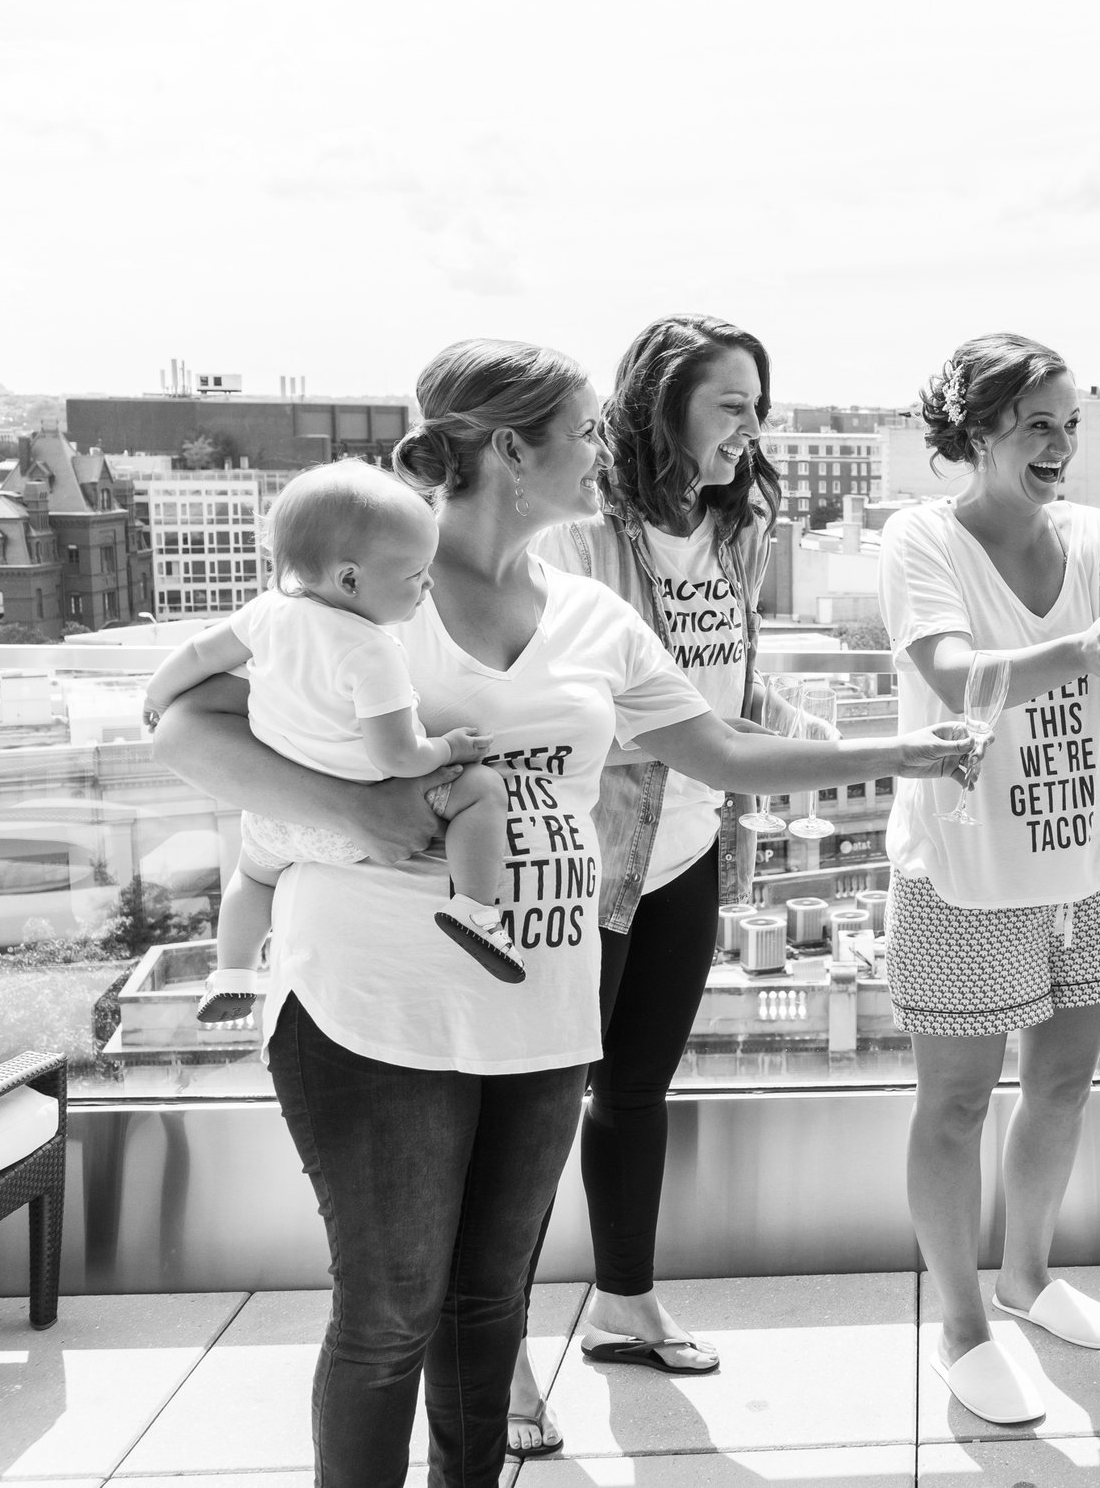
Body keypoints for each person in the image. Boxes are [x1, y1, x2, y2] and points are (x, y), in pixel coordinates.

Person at [153, 338, 968, 1488]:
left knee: (489, 1306)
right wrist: (362, 810)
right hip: (370, 998)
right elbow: (181, 723)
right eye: (584, 433)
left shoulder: (593, 615)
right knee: (391, 1313)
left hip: (540, 998)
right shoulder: (373, 582)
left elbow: (722, 749)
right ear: (507, 449)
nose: (602, 452)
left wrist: (911, 753)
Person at [881, 332, 1100, 1428]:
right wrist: (1083, 651)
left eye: (1070, 424)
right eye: (1037, 426)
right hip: (968, 866)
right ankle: (961, 1324)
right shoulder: (920, 538)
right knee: (957, 1104)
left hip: (1085, 862)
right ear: (975, 434)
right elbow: (952, 675)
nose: (1060, 445)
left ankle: (1027, 1275)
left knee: (1063, 1087)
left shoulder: (1095, 534)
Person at [492, 315, 795, 1455]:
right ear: (662, 407)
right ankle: (501, 1354)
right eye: (730, 405)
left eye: (758, 407)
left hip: (690, 843)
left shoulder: (736, 526)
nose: (749, 430)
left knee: (636, 1091)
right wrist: (707, 739)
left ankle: (623, 1303)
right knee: (536, 1112)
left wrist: (766, 735)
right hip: (593, 852)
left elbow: (724, 688)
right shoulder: (579, 537)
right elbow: (574, 706)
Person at [146, 462, 514, 1027]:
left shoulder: (268, 613)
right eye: (415, 575)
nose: (428, 585)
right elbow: (398, 757)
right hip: (361, 817)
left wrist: (154, 697)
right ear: (350, 581)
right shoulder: (373, 652)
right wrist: (451, 750)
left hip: (275, 818)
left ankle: (236, 975)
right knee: (482, 793)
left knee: (251, 880)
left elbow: (197, 655)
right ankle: (473, 910)